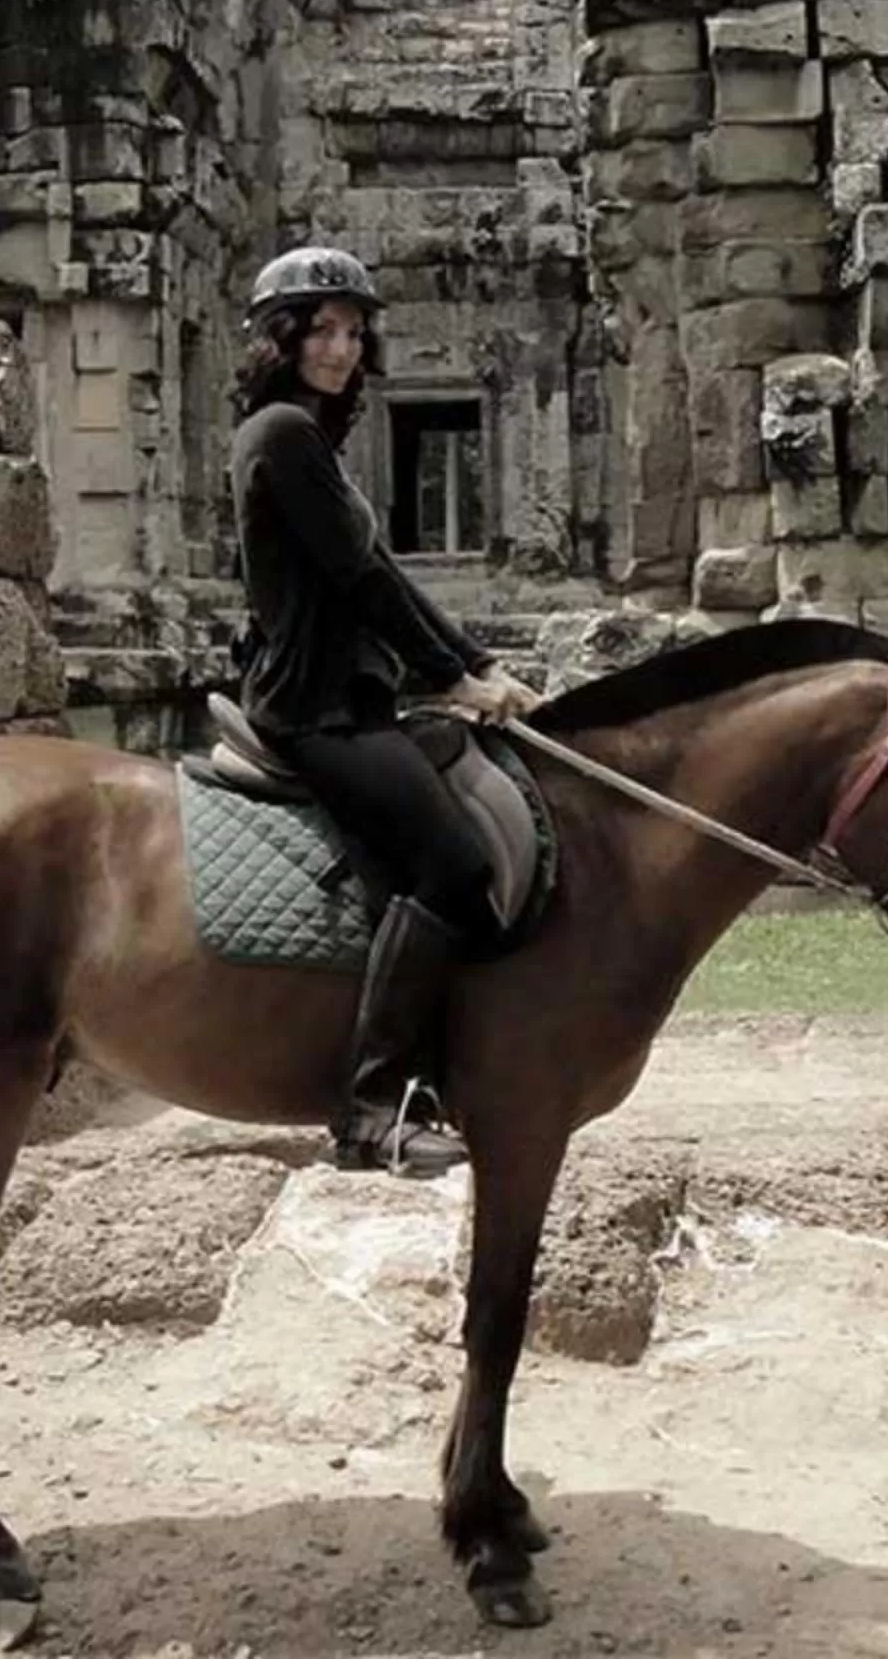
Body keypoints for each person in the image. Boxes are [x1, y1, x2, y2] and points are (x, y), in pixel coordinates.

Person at [230, 246, 538, 1178]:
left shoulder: (309, 442)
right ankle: (371, 1112)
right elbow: (358, 579)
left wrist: (479, 665)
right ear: (282, 341)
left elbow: (386, 573)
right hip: (315, 709)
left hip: (353, 697)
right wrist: (451, 675)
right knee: (453, 864)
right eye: (320, 329)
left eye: (354, 332)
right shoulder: (282, 434)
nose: (339, 347)